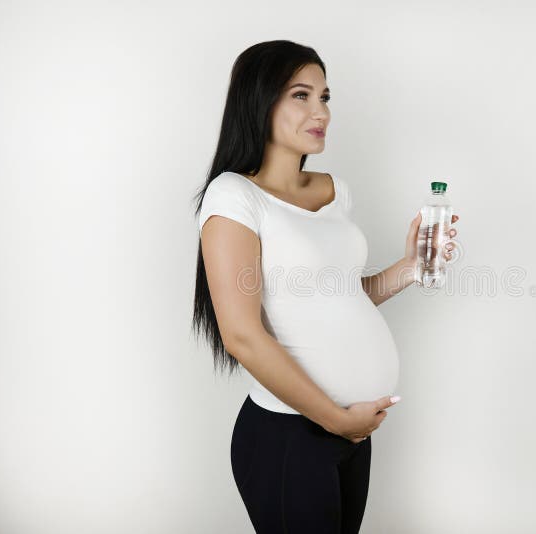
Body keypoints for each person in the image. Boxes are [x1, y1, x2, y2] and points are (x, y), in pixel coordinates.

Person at [191, 40, 459, 533]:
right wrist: (336, 420)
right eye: (301, 95)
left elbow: (338, 297)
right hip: (291, 435)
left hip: (353, 433)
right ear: (259, 101)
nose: (322, 112)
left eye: (326, 96)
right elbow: (242, 336)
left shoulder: (334, 190)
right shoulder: (234, 195)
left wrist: (410, 266)